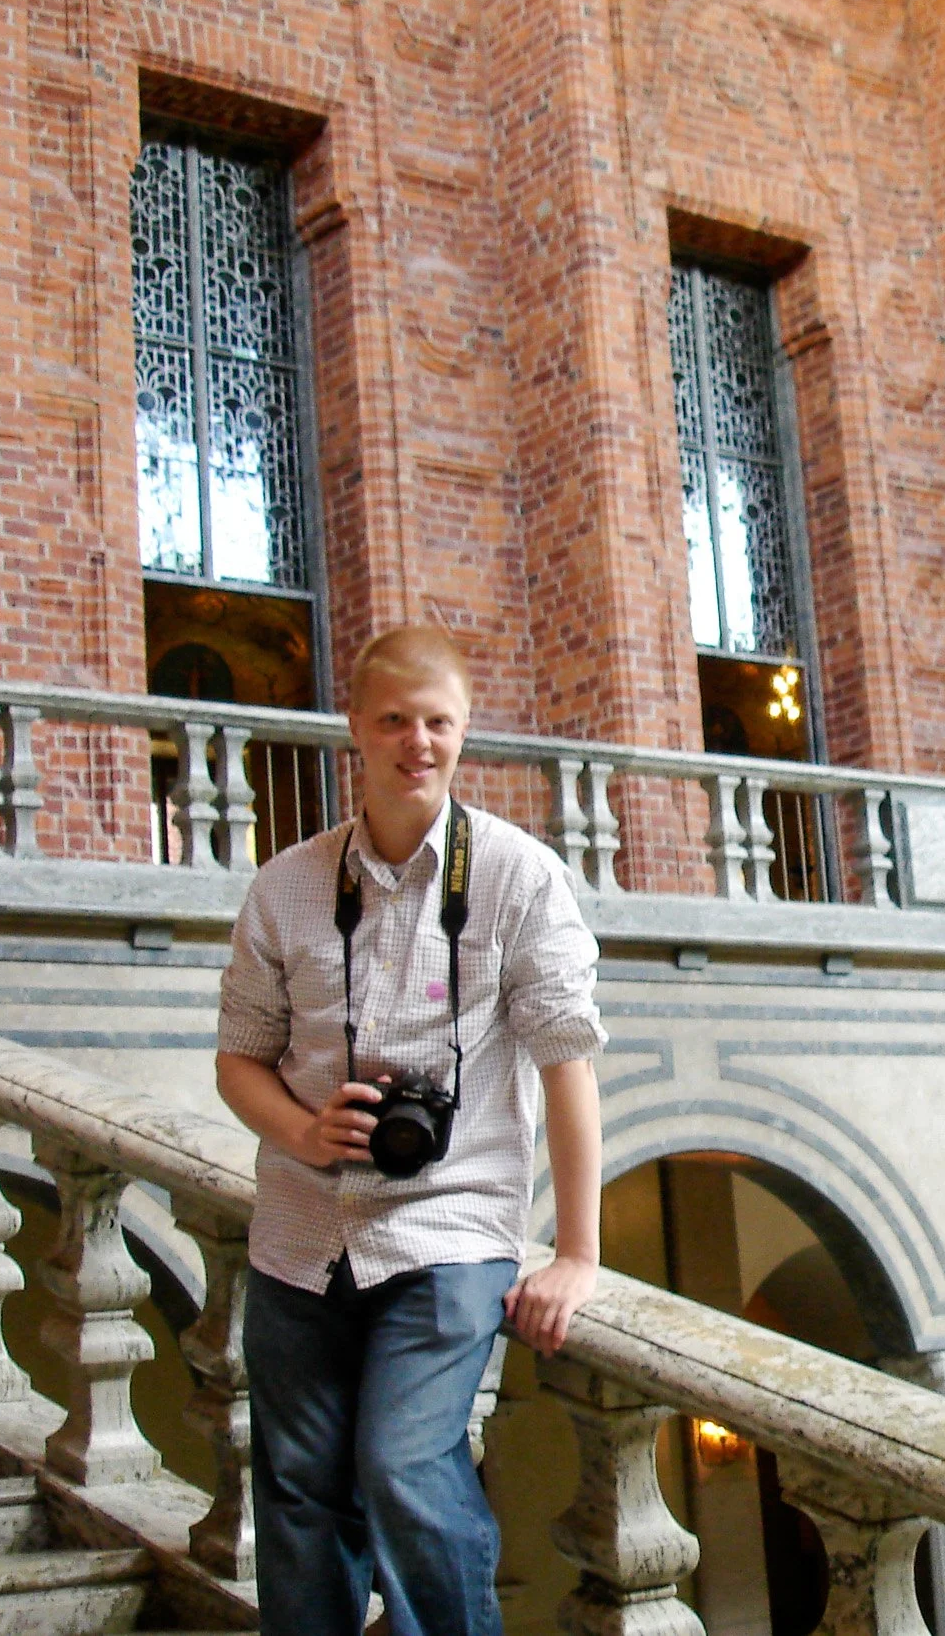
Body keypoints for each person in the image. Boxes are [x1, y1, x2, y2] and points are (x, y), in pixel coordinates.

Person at [217, 624, 605, 1636]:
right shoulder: (285, 884)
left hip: (450, 1224)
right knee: (298, 1490)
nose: (416, 742)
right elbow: (239, 1059)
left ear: (464, 728)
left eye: (437, 721)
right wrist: (304, 1130)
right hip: (299, 1231)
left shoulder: (520, 877)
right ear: (354, 724)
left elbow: (568, 1063)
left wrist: (576, 1252)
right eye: (393, 719)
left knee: (403, 1461)